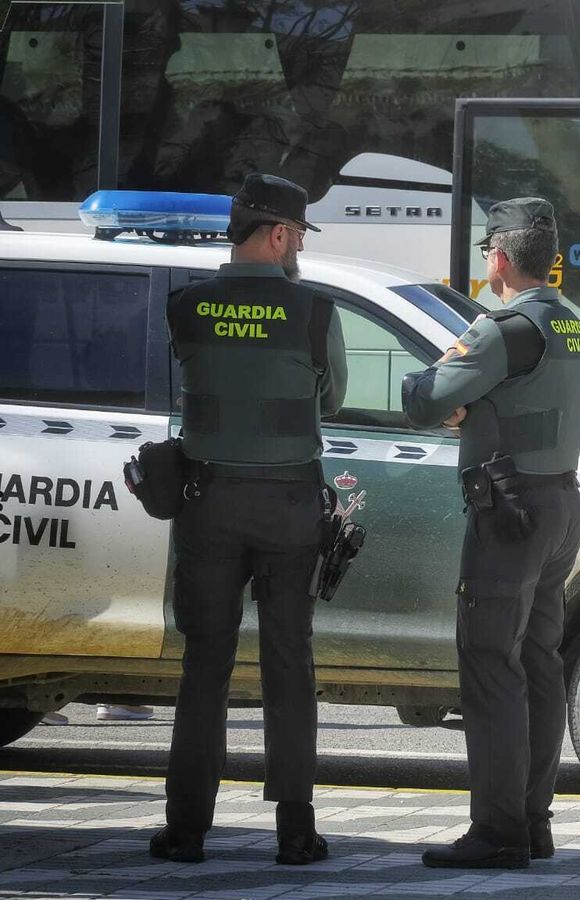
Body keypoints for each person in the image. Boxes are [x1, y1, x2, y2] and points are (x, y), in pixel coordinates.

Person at [153, 173, 347, 866]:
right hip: (290, 502)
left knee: (204, 665)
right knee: (289, 663)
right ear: (278, 233)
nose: (297, 247)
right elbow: (332, 394)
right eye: (295, 234)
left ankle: (185, 832)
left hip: (208, 502)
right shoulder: (314, 311)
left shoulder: (187, 306)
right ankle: (296, 832)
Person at [402, 198, 580, 870]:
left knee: (491, 668)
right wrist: (481, 403)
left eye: (489, 254)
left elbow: (425, 399)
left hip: (507, 509)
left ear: (501, 260)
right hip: (559, 503)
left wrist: (445, 395)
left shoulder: (501, 329)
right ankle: (532, 822)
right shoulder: (576, 328)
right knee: (539, 664)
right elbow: (528, 400)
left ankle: (498, 831)